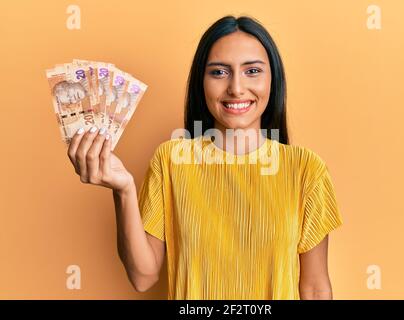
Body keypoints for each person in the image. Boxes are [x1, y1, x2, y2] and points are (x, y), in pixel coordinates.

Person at [67, 15, 343, 300]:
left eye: (252, 71)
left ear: (273, 79)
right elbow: (143, 276)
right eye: (219, 72)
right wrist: (123, 190)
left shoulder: (306, 169)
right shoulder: (171, 160)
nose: (236, 88)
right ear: (202, 82)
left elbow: (314, 288)